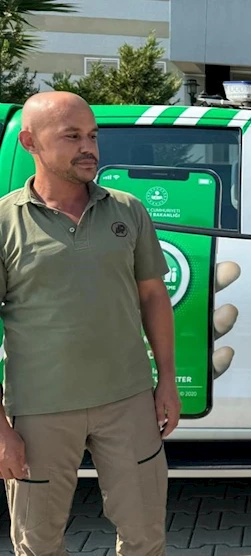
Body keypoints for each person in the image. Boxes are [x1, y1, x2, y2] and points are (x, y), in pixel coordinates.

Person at [0, 91, 180, 555]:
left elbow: (153, 296)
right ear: (29, 142)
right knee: (37, 543)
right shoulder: (4, 222)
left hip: (127, 401)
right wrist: (0, 427)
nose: (89, 147)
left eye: (93, 135)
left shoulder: (127, 210)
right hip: (40, 410)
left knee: (145, 537)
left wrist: (166, 382)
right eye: (72, 136)